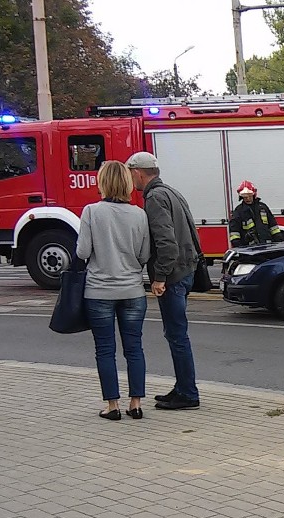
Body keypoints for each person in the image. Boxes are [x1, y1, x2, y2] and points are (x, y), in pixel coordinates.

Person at [76, 161, 151, 421]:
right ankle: (136, 403)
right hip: (132, 291)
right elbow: (144, 255)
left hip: (99, 292)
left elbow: (82, 252)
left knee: (105, 350)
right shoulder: (139, 214)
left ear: (102, 182)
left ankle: (112, 405)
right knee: (134, 349)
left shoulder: (91, 212)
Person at [127, 151, 201, 410]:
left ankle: (188, 393)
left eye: (131, 173)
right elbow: (191, 231)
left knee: (177, 335)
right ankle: (182, 387)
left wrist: (159, 277)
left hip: (173, 276)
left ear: (138, 172)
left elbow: (166, 242)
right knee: (177, 334)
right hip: (185, 271)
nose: (130, 179)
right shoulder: (171, 192)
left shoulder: (154, 198)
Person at [228, 181, 281, 247]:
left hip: (267, 246)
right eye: (245, 197)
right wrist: (241, 245)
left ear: (253, 194)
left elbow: (273, 226)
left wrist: (278, 241)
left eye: (249, 196)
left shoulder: (263, 208)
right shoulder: (239, 211)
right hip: (250, 249)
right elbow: (234, 233)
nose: (248, 198)